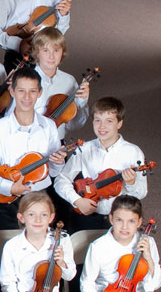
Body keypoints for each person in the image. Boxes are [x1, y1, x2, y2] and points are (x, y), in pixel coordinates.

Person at [0, 66, 66, 230]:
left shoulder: (49, 126)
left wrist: (58, 162)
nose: (27, 97)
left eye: (32, 91)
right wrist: (8, 187)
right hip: (7, 200)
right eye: (21, 91)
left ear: (39, 92)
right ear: (12, 91)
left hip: (40, 199)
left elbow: (53, 171)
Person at [54, 97, 147, 231]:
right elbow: (61, 180)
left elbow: (141, 193)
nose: (102, 126)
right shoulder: (84, 149)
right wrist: (77, 200)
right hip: (87, 216)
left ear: (119, 123)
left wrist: (131, 183)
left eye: (109, 121)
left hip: (119, 220)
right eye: (97, 120)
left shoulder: (133, 152)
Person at [6, 27, 90, 141]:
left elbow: (75, 125)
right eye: (46, 50)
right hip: (25, 143)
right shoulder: (24, 78)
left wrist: (82, 103)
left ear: (62, 52)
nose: (51, 56)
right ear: (36, 52)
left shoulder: (69, 81)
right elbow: (9, 117)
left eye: (56, 50)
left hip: (56, 148)